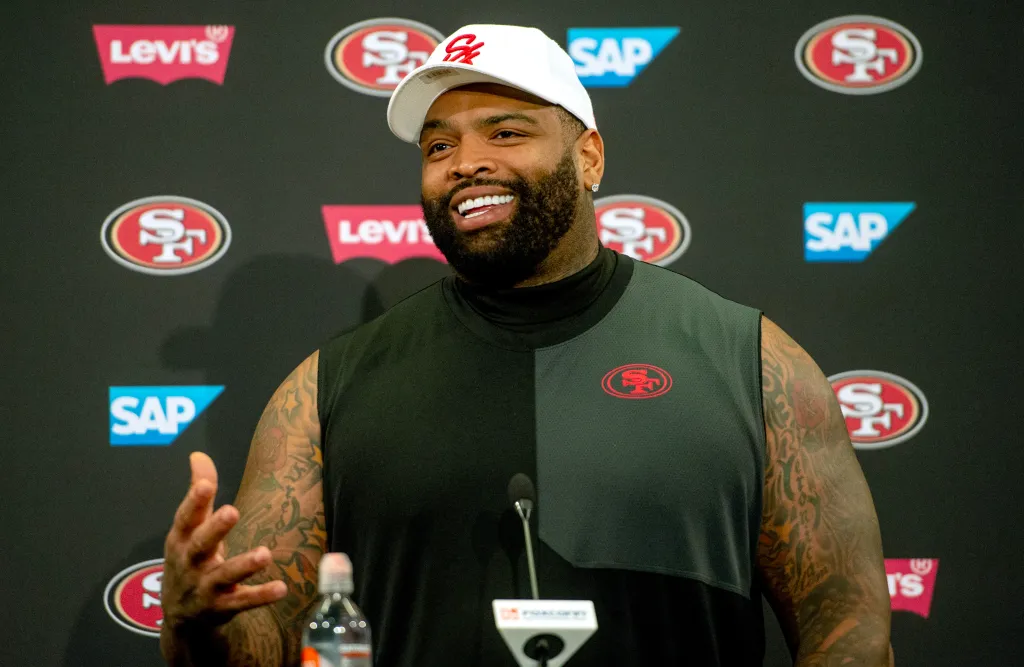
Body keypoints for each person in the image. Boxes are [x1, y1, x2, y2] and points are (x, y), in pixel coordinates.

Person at [160, 24, 893, 667]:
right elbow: (259, 646)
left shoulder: (752, 362)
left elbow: (850, 633)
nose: (465, 162)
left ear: (590, 157)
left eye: (505, 133)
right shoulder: (325, 389)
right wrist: (196, 623)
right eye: (439, 145)